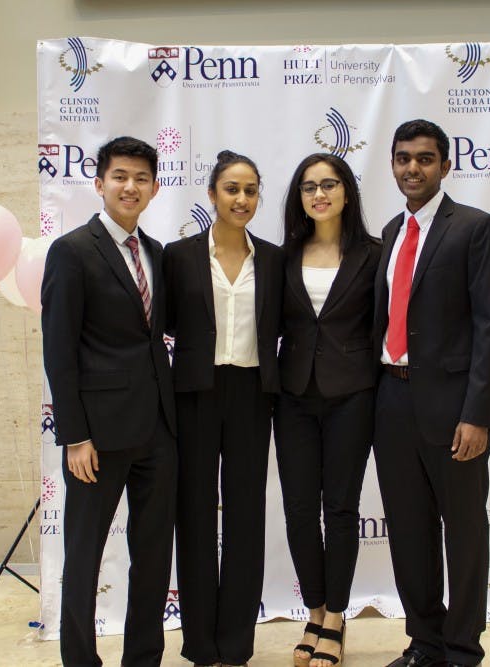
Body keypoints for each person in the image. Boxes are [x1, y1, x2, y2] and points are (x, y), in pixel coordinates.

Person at [373, 120, 490, 667]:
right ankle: (424, 643)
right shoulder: (388, 233)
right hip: (393, 402)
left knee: (465, 533)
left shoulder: (475, 228)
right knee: (409, 534)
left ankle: (461, 649)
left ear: (445, 166)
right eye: (404, 158)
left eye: (425, 159)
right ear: (392, 164)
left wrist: (477, 414)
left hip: (455, 410)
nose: (413, 168)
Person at [41, 136, 177, 667]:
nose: (130, 186)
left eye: (141, 178)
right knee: (84, 556)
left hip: (159, 431)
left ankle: (143, 657)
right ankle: (80, 659)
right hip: (96, 435)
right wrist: (74, 435)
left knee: (151, 556)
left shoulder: (158, 254)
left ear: (155, 188)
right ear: (99, 184)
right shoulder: (72, 251)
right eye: (120, 176)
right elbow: (59, 351)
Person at [163, 150, 284, 667]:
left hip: (253, 395)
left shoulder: (276, 259)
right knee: (193, 516)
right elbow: (159, 326)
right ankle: (200, 644)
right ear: (211, 194)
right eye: (232, 189)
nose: (242, 199)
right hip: (194, 394)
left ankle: (235, 645)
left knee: (244, 518)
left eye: (251, 190)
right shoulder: (177, 255)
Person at [274, 153, 381, 667]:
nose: (319, 194)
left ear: (346, 192)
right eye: (309, 186)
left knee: (339, 510)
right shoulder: (282, 255)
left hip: (353, 396)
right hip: (292, 397)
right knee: (298, 511)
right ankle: (313, 611)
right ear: (299, 196)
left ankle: (336, 618)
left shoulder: (373, 253)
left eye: (329, 184)